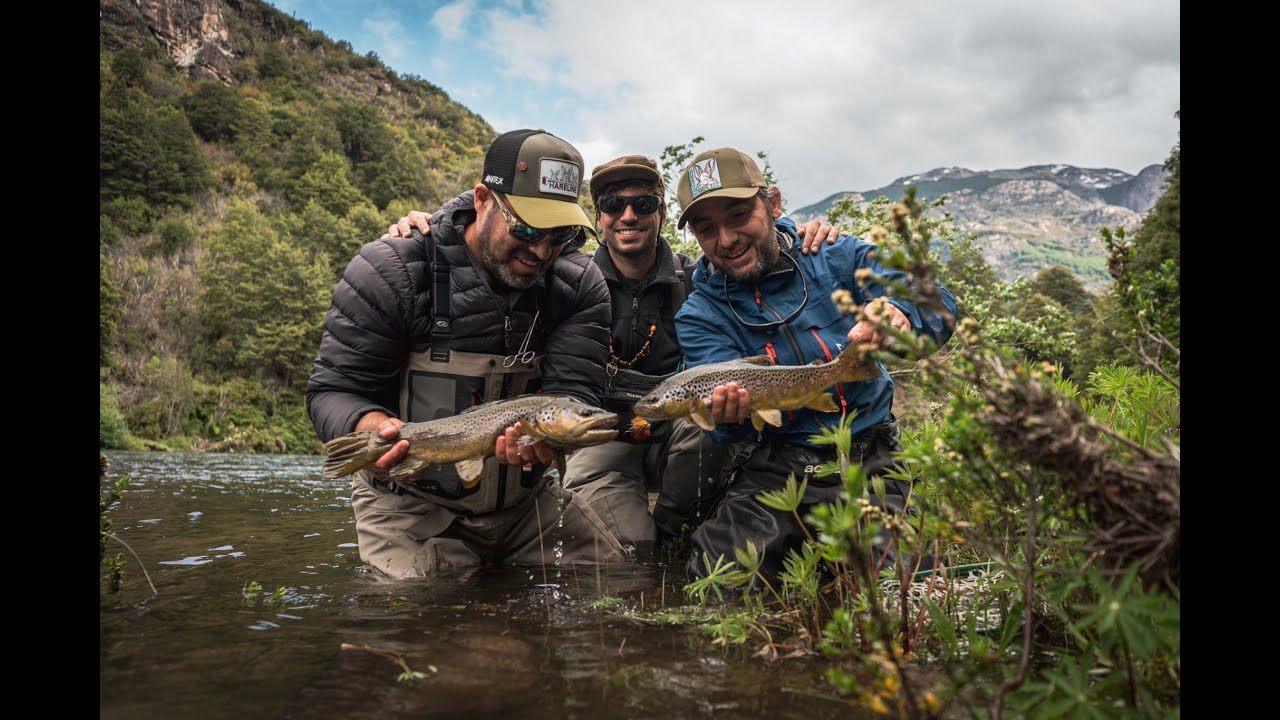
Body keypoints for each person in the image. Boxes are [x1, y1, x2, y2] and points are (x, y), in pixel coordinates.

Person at [386, 155, 845, 559]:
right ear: (598, 216)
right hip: (599, 436)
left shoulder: (699, 281)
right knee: (627, 553)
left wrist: (800, 234)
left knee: (698, 461)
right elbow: (486, 254)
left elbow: (756, 257)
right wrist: (435, 228)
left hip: (678, 435)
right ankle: (651, 547)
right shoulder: (560, 279)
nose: (629, 215)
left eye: (644, 204)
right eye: (612, 204)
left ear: (663, 214)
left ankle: (680, 534)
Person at [307, 128, 626, 580]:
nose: (541, 250)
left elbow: (573, 392)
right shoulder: (392, 269)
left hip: (524, 503)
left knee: (614, 585)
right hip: (411, 504)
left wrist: (552, 442)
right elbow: (334, 390)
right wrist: (370, 427)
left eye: (559, 234)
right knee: (425, 622)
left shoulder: (578, 285)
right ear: (482, 199)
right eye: (527, 227)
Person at [670, 147, 958, 587]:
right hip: (777, 465)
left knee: (905, 586)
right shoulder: (699, 314)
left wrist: (900, 312)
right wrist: (726, 419)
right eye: (706, 229)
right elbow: (729, 432)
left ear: (774, 204)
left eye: (739, 216)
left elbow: (936, 305)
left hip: (872, 454)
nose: (725, 240)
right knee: (719, 581)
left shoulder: (835, 254)